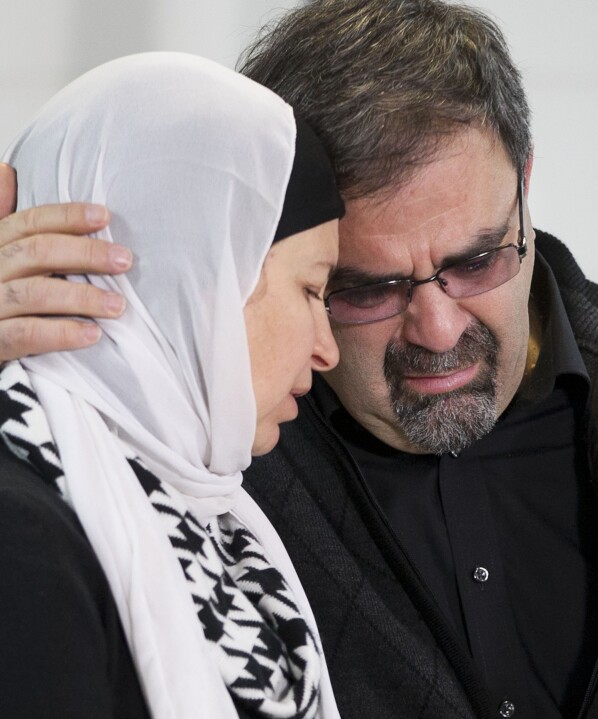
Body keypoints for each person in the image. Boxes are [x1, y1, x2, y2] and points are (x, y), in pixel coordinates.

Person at [1, 1, 598, 717]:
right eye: (362, 288)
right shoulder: (216, 447)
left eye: (474, 261)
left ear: (526, 187)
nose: (434, 326)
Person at [0, 52, 346, 718]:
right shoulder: (23, 539)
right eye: (310, 289)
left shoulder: (217, 527)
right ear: (194, 283)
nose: (327, 347)